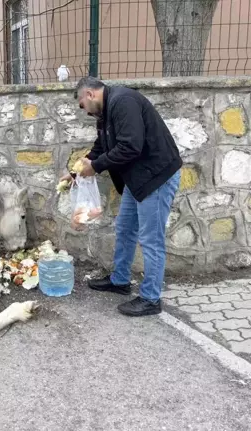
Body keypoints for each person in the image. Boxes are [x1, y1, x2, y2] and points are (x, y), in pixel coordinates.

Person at [60, 77, 182, 316]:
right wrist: (76, 172)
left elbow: (130, 146)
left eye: (81, 105)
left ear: (90, 94)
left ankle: (150, 299)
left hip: (156, 178)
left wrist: (95, 167)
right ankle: (120, 281)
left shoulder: (123, 101)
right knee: (125, 229)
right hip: (137, 180)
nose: (83, 111)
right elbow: (101, 146)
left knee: (151, 239)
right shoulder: (106, 113)